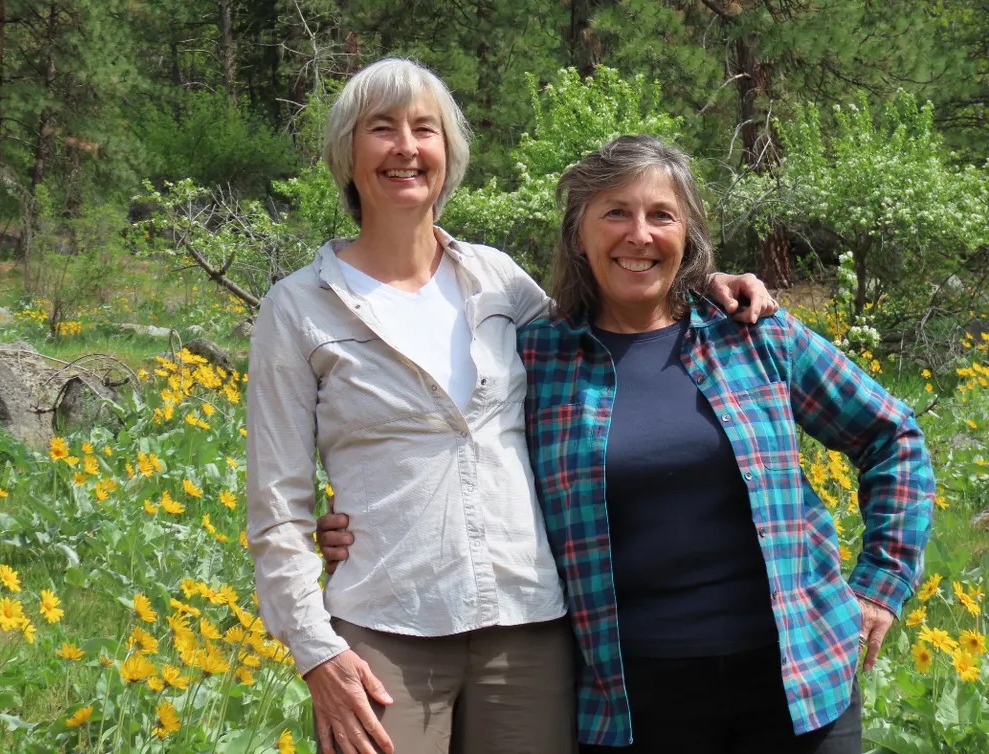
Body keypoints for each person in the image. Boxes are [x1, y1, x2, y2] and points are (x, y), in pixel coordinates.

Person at [317, 134, 935, 753]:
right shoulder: (534, 356)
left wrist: (880, 586)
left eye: (661, 215)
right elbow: (450, 452)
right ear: (578, 235)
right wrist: (367, 518)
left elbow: (892, 436)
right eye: (615, 212)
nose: (638, 235)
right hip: (630, 698)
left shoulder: (753, 335)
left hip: (798, 682)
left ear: (688, 236)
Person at [246, 58, 777, 754]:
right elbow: (276, 503)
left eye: (424, 130)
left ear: (449, 155)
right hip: (385, 627)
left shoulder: (494, 279)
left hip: (528, 626)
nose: (406, 147)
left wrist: (698, 279)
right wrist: (315, 649)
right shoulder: (297, 308)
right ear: (347, 152)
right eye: (382, 129)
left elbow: (601, 324)